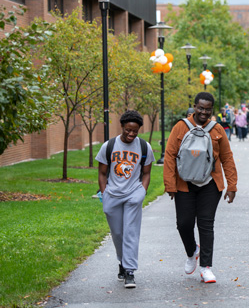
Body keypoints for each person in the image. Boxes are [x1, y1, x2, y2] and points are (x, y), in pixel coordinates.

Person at [163, 92, 238, 284]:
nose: (204, 112)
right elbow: (170, 155)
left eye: (208, 109)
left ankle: (206, 267)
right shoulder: (180, 127)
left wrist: (232, 185)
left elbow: (227, 158)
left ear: (212, 109)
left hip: (210, 185)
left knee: (206, 225)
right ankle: (192, 252)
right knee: (184, 224)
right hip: (184, 183)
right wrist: (170, 184)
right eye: (200, 108)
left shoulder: (217, 129)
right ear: (194, 106)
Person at [96, 110, 155, 289]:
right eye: (128, 130)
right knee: (118, 233)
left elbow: (146, 173)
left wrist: (141, 193)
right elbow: (102, 173)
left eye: (135, 131)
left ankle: (129, 271)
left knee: (130, 232)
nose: (131, 134)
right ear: (122, 127)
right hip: (112, 195)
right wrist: (105, 193)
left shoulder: (144, 147)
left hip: (133, 194)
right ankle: (122, 262)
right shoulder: (109, 146)